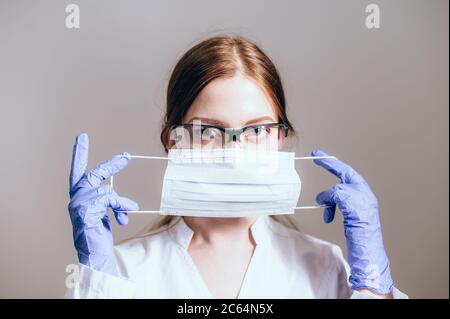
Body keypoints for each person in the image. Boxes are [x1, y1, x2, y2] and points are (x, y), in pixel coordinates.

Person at [65, 34, 407, 299]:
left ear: (280, 139)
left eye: (257, 130)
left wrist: (375, 288)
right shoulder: (120, 272)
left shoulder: (325, 266)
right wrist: (97, 279)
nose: (234, 152)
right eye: (207, 131)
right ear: (172, 141)